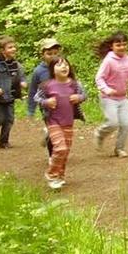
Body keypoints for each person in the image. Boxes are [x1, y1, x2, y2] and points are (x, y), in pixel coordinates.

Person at [33, 56, 87, 190]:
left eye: (66, 65)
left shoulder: (75, 84)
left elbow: (84, 95)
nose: (64, 67)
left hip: (68, 122)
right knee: (60, 148)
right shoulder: (47, 85)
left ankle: (60, 176)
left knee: (65, 151)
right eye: (59, 65)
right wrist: (47, 102)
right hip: (53, 122)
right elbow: (37, 97)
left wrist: (79, 97)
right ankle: (51, 175)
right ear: (52, 69)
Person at [93, 31, 128, 157]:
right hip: (108, 98)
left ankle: (119, 148)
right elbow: (99, 78)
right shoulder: (108, 61)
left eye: (124, 44)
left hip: (123, 97)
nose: (122, 47)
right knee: (113, 123)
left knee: (126, 124)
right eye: (118, 45)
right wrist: (107, 89)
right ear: (112, 46)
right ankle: (100, 133)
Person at [27, 37, 62, 157]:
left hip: (62, 106)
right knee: (54, 132)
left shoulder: (62, 66)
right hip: (47, 106)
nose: (53, 56)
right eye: (49, 53)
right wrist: (31, 109)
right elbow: (32, 91)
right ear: (42, 54)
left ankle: (48, 134)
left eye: (55, 53)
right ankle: (53, 156)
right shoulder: (38, 71)